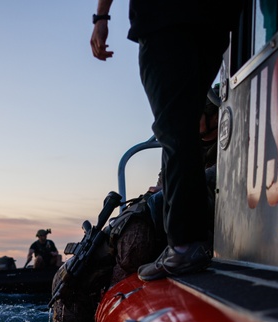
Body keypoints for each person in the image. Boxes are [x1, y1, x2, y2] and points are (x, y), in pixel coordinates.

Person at [90, 0, 242, 281]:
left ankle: (184, 244)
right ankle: (187, 242)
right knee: (181, 128)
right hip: (215, 21)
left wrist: (101, 18)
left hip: (166, 19)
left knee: (173, 130)